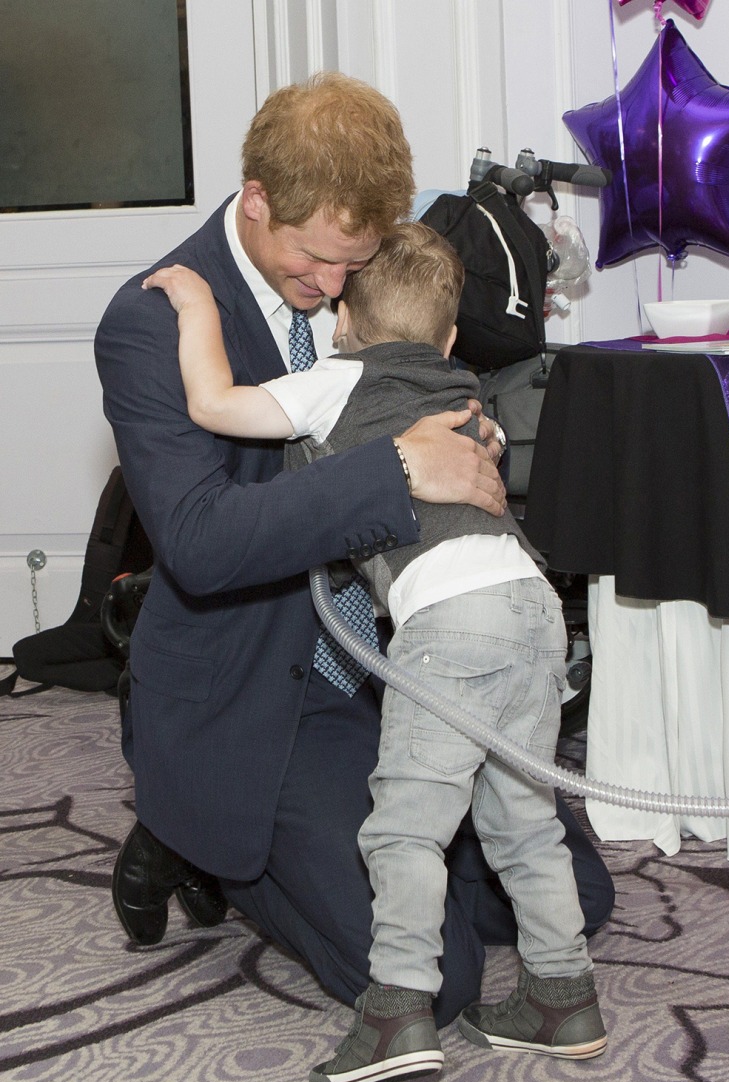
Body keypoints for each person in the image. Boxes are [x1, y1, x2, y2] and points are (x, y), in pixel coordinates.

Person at [95, 72, 613, 1033]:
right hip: (260, 692)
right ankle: (197, 831)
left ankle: (289, 840)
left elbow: (436, 381)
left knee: (572, 900)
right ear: (257, 201)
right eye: (316, 259)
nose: (336, 288)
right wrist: (397, 470)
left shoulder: (363, 264)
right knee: (440, 977)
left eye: (356, 262)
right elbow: (202, 544)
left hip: (410, 668)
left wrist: (471, 440)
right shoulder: (152, 321)